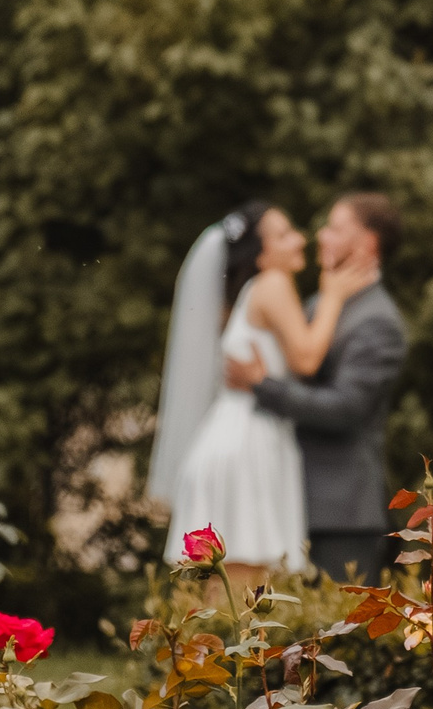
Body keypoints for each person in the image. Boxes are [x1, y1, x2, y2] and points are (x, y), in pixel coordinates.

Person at [148, 203, 377, 577]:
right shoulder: (272, 284)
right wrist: (333, 297)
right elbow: (305, 359)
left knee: (239, 588)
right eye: (285, 234)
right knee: (238, 585)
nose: (300, 239)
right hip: (246, 445)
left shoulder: (258, 290)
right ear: (262, 252)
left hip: (245, 436)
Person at [224, 193, 409, 584]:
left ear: (368, 244)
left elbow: (345, 408)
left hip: (340, 512)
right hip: (286, 495)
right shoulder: (314, 305)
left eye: (336, 228)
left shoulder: (379, 322)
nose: (321, 236)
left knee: (335, 637)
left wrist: (263, 386)